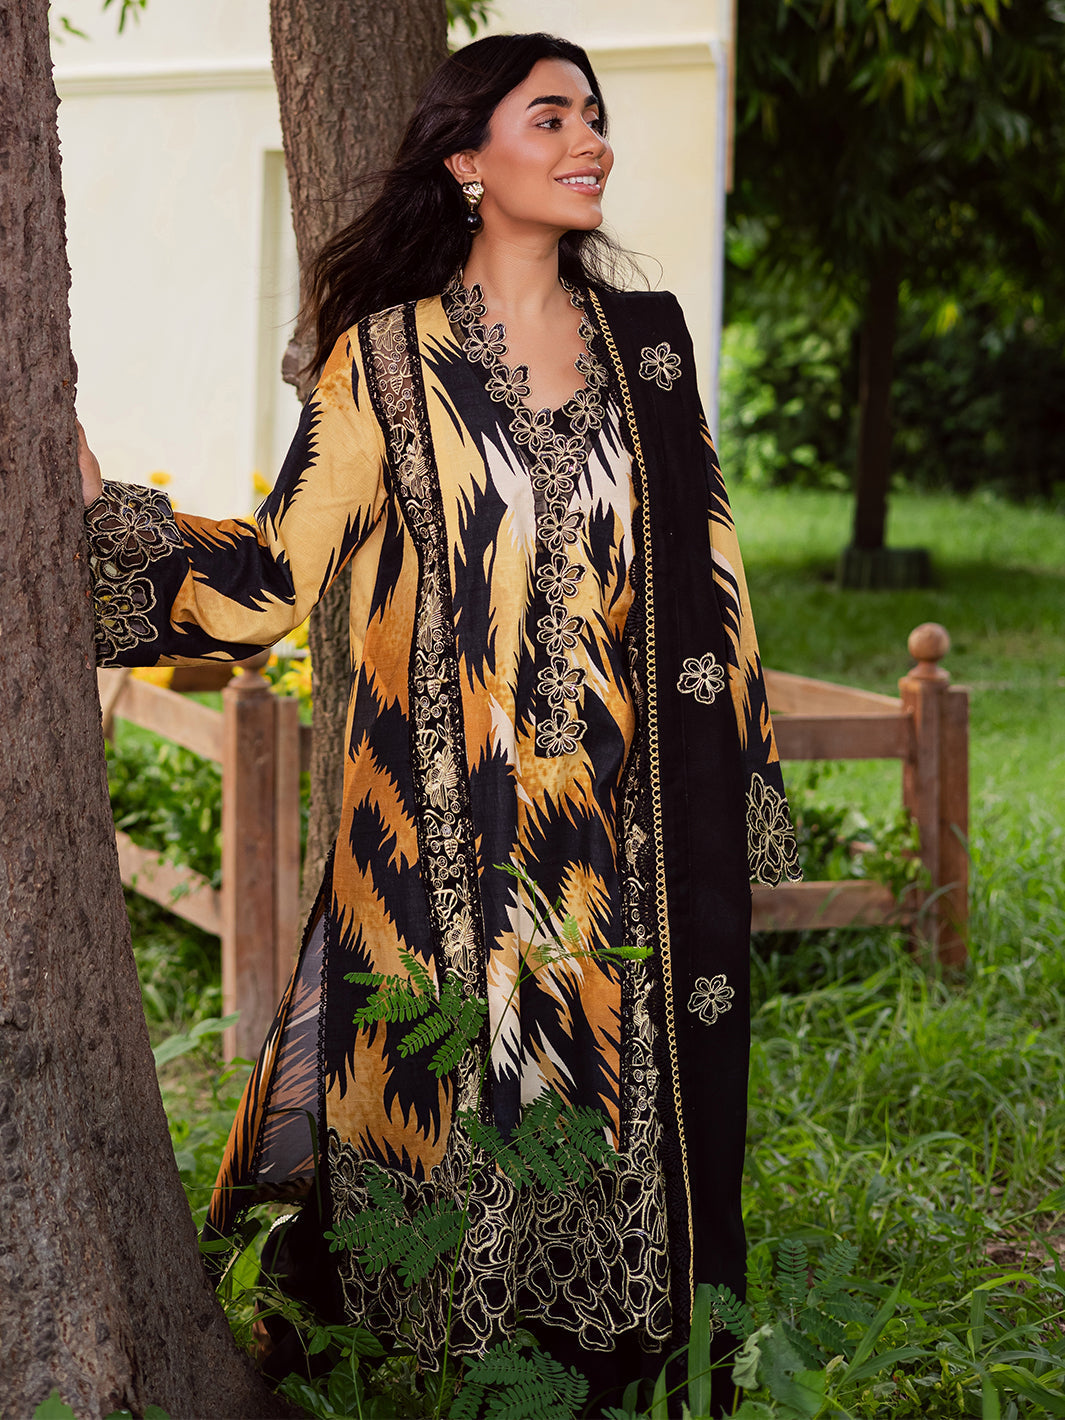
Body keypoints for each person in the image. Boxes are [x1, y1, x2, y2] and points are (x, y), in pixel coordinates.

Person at [79, 32, 800, 1416]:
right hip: (434, 834)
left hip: (609, 832)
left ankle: (595, 1373)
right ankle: (414, 1367)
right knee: (433, 1087)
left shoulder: (647, 348)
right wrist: (104, 516)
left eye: (595, 116)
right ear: (469, 159)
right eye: (552, 117)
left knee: (593, 1097)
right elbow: (275, 576)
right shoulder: (383, 363)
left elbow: (712, 583)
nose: (590, 140)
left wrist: (735, 800)